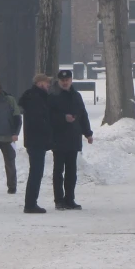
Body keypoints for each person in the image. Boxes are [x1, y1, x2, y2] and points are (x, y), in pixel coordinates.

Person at [49, 69, 93, 210]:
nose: (65, 82)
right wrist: (63, 118)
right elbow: (49, 116)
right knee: (58, 171)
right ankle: (59, 200)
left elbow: (83, 115)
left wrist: (88, 133)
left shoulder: (76, 96)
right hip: (58, 138)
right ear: (59, 81)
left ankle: (70, 199)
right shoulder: (53, 96)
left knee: (71, 172)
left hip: (73, 138)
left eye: (67, 80)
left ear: (71, 80)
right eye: (62, 80)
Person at [18, 73, 54, 213]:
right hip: (36, 140)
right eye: (46, 83)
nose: (48, 85)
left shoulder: (35, 97)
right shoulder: (36, 98)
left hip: (34, 140)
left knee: (36, 172)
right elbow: (39, 120)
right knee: (36, 172)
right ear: (40, 83)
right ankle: (30, 204)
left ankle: (31, 202)